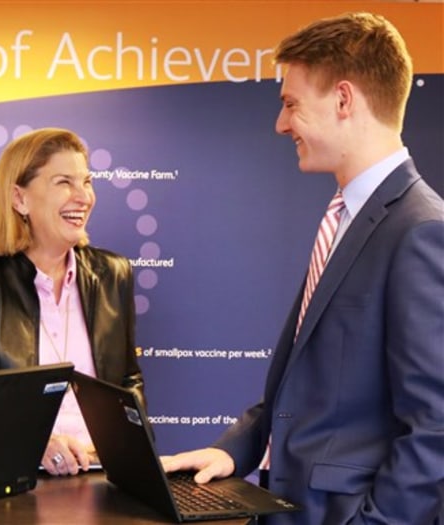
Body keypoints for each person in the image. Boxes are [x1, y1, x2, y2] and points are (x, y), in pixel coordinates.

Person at [162, 12, 444, 525]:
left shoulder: (421, 230)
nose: (280, 123)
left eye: (291, 104)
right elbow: (306, 384)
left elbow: (437, 425)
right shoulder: (347, 218)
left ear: (343, 99)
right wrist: (234, 452)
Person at [0, 127, 145, 476]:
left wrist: (123, 447)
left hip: (103, 475)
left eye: (87, 182)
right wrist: (29, 443)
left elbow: (128, 381)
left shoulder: (113, 274)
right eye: (64, 182)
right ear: (19, 199)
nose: (84, 197)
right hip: (12, 483)